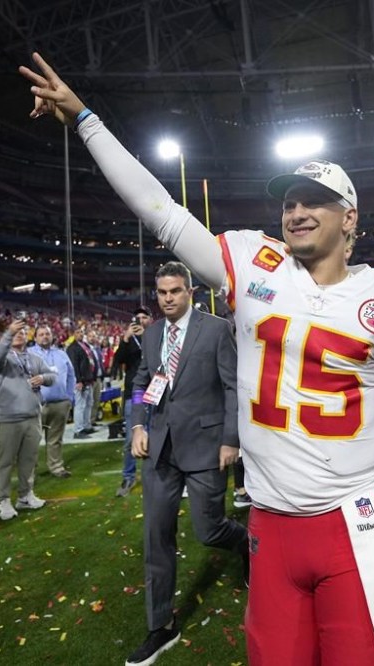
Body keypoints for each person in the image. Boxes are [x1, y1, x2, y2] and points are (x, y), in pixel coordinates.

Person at [20, 52, 374, 666]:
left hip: (355, 519)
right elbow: (160, 211)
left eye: (317, 200)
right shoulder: (254, 264)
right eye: (289, 201)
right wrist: (85, 119)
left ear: (350, 218)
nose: (297, 210)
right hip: (271, 525)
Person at [123, 261, 246, 665]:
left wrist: (231, 439)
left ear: (189, 291)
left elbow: (232, 387)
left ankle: (245, 544)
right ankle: (160, 626)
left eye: (175, 291)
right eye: (162, 293)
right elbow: (142, 382)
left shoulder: (214, 329)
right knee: (156, 537)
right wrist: (139, 424)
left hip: (207, 447)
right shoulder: (154, 333)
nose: (168, 299)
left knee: (209, 530)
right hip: (160, 450)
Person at [0, 319, 56, 521]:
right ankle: (3, 500)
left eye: (22, 331)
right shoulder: (5, 358)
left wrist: (43, 379)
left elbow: (52, 376)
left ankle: (25, 495)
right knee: (5, 462)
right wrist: (8, 334)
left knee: (29, 459)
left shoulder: (34, 358)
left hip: (32, 416)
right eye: (16, 332)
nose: (20, 334)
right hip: (9, 418)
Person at [112, 306, 152, 497]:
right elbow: (117, 361)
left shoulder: (155, 336)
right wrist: (126, 338)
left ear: (150, 320)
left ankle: (152, 474)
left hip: (155, 393)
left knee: (156, 435)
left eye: (144, 317)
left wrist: (145, 337)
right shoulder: (128, 340)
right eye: (137, 317)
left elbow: (157, 357)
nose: (141, 320)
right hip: (134, 393)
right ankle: (128, 475)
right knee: (131, 438)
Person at [30, 323, 76, 478]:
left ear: (52, 336)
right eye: (41, 334)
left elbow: (71, 376)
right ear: (35, 338)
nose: (45, 336)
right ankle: (29, 472)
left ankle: (56, 467)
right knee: (32, 441)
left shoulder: (61, 354)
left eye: (47, 333)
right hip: (37, 404)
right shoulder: (28, 354)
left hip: (60, 403)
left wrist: (69, 397)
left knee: (55, 439)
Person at [66, 327, 96, 439]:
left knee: (89, 403)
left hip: (88, 379)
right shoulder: (72, 348)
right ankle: (78, 430)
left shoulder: (85, 345)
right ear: (73, 334)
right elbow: (73, 365)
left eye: (82, 332)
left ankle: (86, 426)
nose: (80, 334)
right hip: (81, 380)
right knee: (80, 405)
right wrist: (78, 380)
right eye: (78, 332)